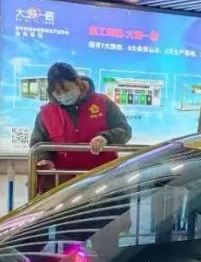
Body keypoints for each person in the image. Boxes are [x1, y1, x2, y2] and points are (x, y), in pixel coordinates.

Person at [30, 63, 132, 191]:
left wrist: (106, 138)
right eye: (57, 92)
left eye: (66, 89)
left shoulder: (103, 103)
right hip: (64, 185)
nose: (62, 95)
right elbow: (37, 143)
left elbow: (125, 130)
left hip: (104, 181)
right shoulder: (45, 114)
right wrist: (44, 159)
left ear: (77, 83)